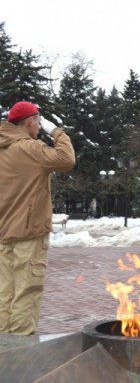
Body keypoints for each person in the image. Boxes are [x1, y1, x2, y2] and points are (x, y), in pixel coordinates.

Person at [0, 101, 75, 335]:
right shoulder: (29, 148)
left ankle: (3, 350)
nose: (38, 128)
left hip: (4, 234)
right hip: (28, 233)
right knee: (27, 293)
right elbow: (66, 158)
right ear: (31, 122)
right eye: (38, 122)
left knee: (4, 295)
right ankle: (20, 353)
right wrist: (56, 131)